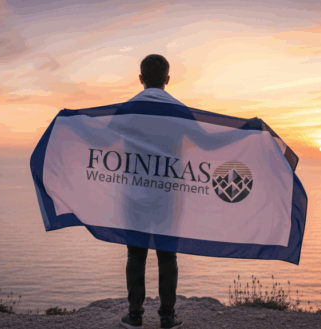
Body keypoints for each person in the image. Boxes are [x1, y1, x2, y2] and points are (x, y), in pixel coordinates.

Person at [120, 54, 183, 329]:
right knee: (167, 256)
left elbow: (101, 137)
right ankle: (167, 317)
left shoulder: (127, 109)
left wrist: (72, 122)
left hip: (134, 195)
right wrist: (247, 130)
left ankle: (135, 316)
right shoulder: (180, 110)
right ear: (167, 79)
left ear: (141, 79)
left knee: (136, 256)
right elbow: (207, 143)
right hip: (168, 195)